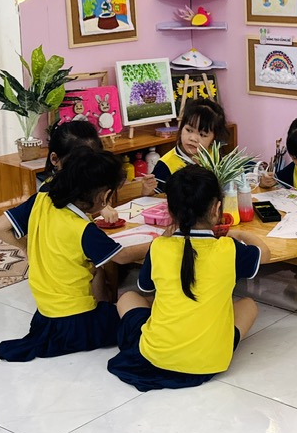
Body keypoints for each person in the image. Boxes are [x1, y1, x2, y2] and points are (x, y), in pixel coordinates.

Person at [107, 165, 268, 390]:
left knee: (128, 297)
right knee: (249, 305)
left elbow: (146, 287)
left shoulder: (158, 247)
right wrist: (240, 233)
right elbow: (265, 254)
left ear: (170, 212)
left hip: (157, 356)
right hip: (210, 361)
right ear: (217, 209)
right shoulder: (229, 248)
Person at [0, 148, 150, 362]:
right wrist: (157, 243)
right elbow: (122, 256)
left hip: (44, 319)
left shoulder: (42, 200)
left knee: (97, 271)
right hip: (76, 323)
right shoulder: (83, 229)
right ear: (104, 196)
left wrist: (28, 248)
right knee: (135, 302)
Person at [0, 120, 117, 246]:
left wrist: (103, 206)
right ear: (54, 159)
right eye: (76, 164)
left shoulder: (55, 189)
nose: (83, 169)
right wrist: (27, 248)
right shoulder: (48, 195)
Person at [153, 98, 228, 192]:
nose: (193, 138)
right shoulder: (165, 165)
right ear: (181, 127)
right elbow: (155, 197)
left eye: (202, 135)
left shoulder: (214, 154)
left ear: (213, 139)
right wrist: (147, 191)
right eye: (189, 130)